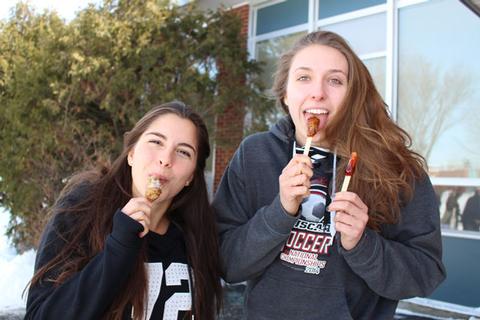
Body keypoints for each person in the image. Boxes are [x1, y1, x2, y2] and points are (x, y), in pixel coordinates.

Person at [213, 31, 446, 319]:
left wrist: (362, 244)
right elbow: (225, 263)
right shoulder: (255, 154)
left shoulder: (395, 168)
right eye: (303, 78)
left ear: (352, 96)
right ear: (285, 93)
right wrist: (279, 212)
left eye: (335, 80)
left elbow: (425, 273)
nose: (318, 92)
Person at [25, 101, 223, 320]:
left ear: (191, 177)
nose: (166, 159)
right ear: (131, 153)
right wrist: (118, 247)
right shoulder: (84, 209)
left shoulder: (195, 237)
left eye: (183, 152)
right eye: (156, 141)